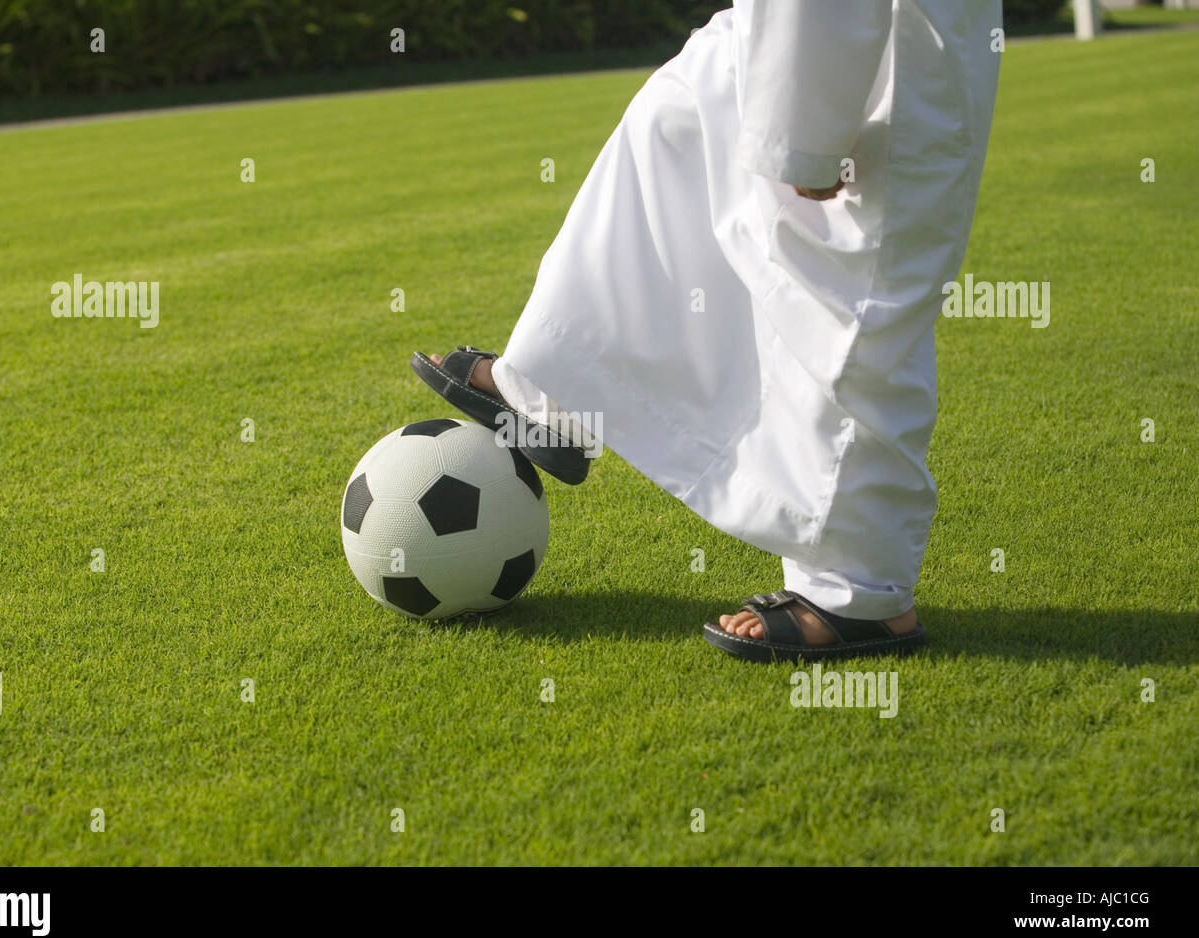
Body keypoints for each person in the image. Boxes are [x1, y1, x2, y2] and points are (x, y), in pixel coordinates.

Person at [412, 0, 1001, 661]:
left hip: (877, 40)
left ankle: (861, 594)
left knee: (845, 287)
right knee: (675, 120)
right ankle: (560, 389)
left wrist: (805, 129)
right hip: (782, 24)